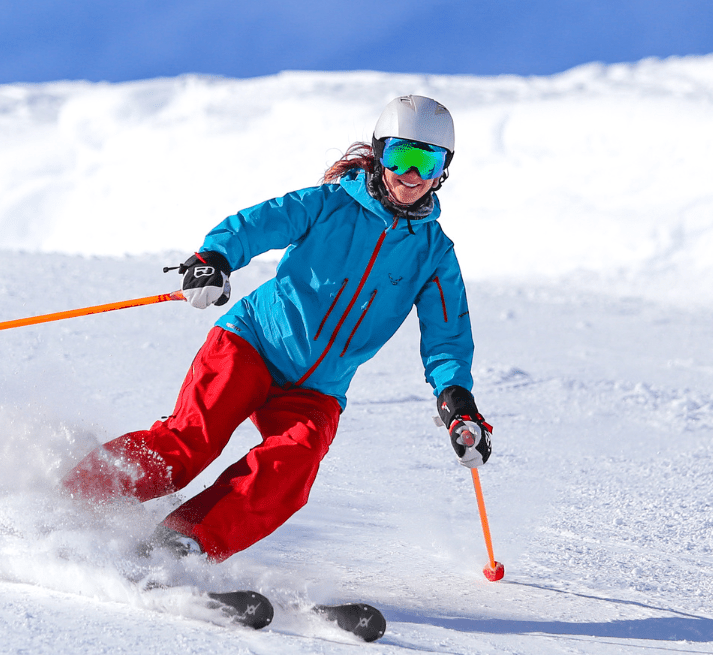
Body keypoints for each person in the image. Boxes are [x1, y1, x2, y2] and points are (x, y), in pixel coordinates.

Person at [63, 94, 492, 560]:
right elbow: (257, 225)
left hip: (319, 388)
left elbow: (446, 335)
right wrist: (215, 258)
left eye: (425, 163)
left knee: (292, 466)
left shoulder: (434, 253)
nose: (411, 177)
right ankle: (71, 496)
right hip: (253, 343)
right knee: (190, 444)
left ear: (443, 170)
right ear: (378, 153)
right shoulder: (329, 205)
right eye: (401, 157)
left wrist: (457, 400)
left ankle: (180, 546)